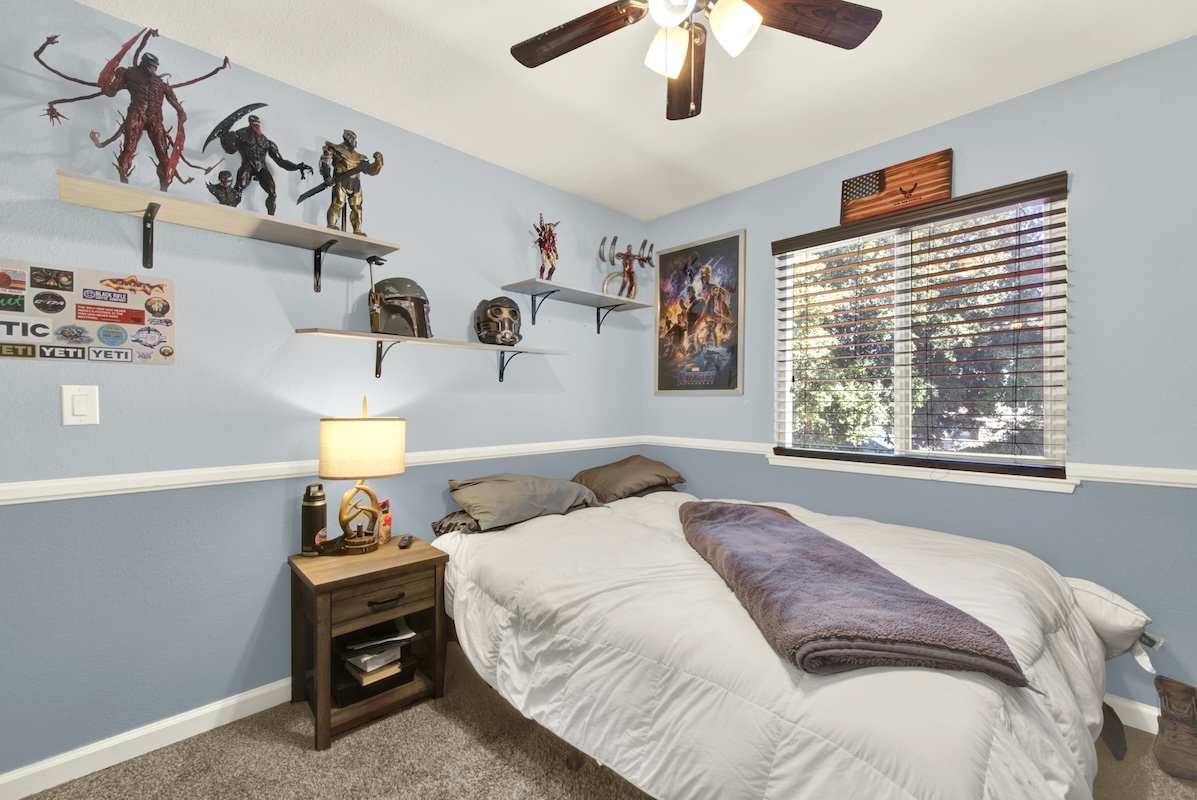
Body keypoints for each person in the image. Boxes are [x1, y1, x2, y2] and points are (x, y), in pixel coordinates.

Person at [35, 28, 228, 190]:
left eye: (155, 67)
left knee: (163, 154)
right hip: (136, 114)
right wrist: (110, 80)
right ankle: (124, 181)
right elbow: (111, 92)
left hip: (156, 119)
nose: (153, 69)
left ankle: (164, 188)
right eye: (151, 66)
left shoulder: (160, 84)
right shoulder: (129, 74)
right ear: (144, 64)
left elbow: (175, 103)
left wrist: (181, 113)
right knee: (129, 148)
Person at [218, 115, 310, 215]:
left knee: (272, 193)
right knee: (238, 189)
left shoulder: (265, 141)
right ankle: (228, 212)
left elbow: (280, 161)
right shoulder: (241, 135)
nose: (257, 125)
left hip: (261, 168)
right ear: (250, 123)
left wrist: (296, 167)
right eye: (254, 123)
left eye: (258, 123)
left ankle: (271, 218)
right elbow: (230, 149)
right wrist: (224, 136)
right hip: (247, 165)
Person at [320, 129, 383, 236]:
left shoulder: (359, 157)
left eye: (354, 139)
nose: (353, 141)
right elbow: (325, 162)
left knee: (357, 207)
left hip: (355, 182)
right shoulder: (335, 149)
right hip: (340, 179)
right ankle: (331, 224)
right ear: (346, 137)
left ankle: (357, 230)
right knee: (338, 203)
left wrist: (378, 164)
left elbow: (370, 170)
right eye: (351, 138)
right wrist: (327, 176)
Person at [534, 214, 559, 279]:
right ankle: (541, 276)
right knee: (543, 264)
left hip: (549, 252)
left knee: (553, 266)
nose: (551, 228)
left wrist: (556, 254)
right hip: (544, 250)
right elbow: (541, 227)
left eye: (552, 227)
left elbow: (553, 246)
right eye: (550, 227)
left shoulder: (552, 237)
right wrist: (541, 218)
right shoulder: (544, 233)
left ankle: (549, 277)